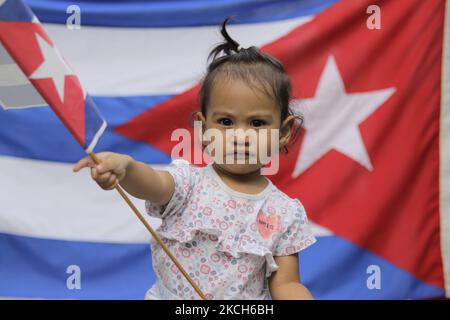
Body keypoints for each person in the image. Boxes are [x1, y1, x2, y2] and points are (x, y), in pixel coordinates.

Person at [73, 17, 317, 300]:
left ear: (284, 131)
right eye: (225, 121)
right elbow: (152, 183)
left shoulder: (284, 213)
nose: (240, 135)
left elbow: (286, 284)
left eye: (257, 123)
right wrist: (126, 168)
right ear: (203, 129)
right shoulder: (188, 183)